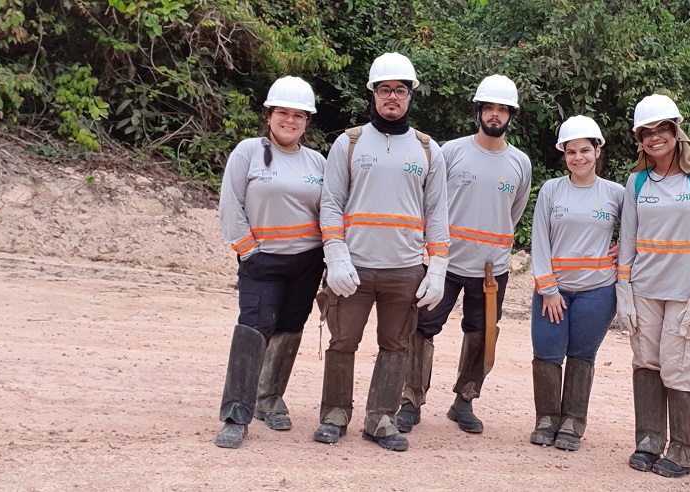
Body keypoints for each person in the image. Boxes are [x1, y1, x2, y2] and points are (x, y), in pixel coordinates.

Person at [314, 52, 449, 452]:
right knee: (343, 342)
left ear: (410, 96)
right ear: (373, 93)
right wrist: (335, 254)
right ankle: (334, 414)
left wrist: (438, 266)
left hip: (405, 269)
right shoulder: (350, 142)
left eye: (401, 90)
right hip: (353, 267)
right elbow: (331, 203)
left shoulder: (427, 150)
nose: (393, 96)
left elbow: (437, 214)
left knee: (396, 345)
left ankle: (382, 418)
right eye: (385, 89)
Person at [395, 75, 532, 435]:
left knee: (483, 332)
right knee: (421, 328)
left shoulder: (520, 163)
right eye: (489, 107)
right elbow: (431, 202)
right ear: (479, 111)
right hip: (444, 262)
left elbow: (512, 212)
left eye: (502, 109)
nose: (495, 115)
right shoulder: (450, 151)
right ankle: (411, 400)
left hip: (491, 270)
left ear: (510, 116)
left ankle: (464, 401)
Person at [214, 76, 326, 448]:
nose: (290, 121)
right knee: (254, 326)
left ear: (307, 121)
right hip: (261, 259)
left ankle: (269, 398)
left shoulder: (318, 162)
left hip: (307, 261)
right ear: (269, 115)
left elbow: (330, 211)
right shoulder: (248, 152)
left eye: (298, 115)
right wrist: (248, 250)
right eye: (283, 112)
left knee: (291, 326)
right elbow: (230, 205)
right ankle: (236, 414)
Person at [618, 94, 690, 478]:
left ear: (676, 132)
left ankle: (683, 450)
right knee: (646, 362)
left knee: (677, 368)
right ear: (640, 140)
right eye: (646, 133)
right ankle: (648, 441)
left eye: (662, 129)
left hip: (686, 293)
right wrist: (623, 290)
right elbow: (627, 239)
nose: (655, 138)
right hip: (645, 288)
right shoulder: (637, 182)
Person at [529, 115, 624, 451]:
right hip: (553, 291)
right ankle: (546, 419)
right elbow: (539, 242)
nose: (579, 157)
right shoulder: (552, 190)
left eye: (586, 149)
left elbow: (641, 231)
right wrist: (549, 289)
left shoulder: (616, 193)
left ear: (598, 150)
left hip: (597, 291)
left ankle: (572, 423)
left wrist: (625, 249)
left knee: (582, 355)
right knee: (547, 352)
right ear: (564, 154)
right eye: (571, 151)